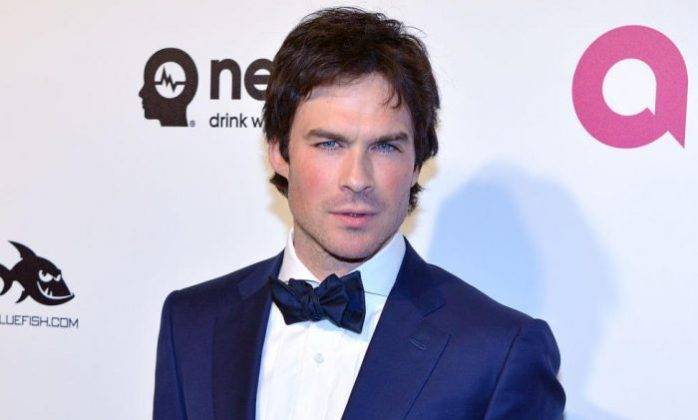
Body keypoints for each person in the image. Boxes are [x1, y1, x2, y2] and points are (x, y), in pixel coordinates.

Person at [153, 7, 565, 420]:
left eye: (385, 146)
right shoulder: (192, 323)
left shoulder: (499, 353)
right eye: (329, 144)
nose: (357, 179)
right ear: (279, 151)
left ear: (417, 163)